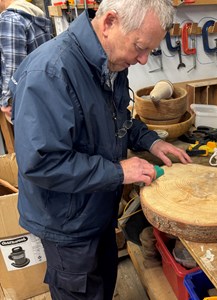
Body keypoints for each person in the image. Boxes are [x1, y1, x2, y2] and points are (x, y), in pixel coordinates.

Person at [9, 0, 192, 299]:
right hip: (66, 223)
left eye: (149, 50)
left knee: (104, 285)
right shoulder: (51, 71)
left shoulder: (111, 61)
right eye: (140, 47)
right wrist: (118, 171)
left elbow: (117, 119)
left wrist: (150, 140)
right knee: (80, 291)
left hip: (98, 208)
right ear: (109, 22)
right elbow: (42, 162)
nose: (144, 60)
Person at [0, 0, 51, 122]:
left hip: (24, 103)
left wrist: (7, 101)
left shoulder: (10, 19)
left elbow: (14, 67)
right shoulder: (33, 14)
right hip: (42, 96)